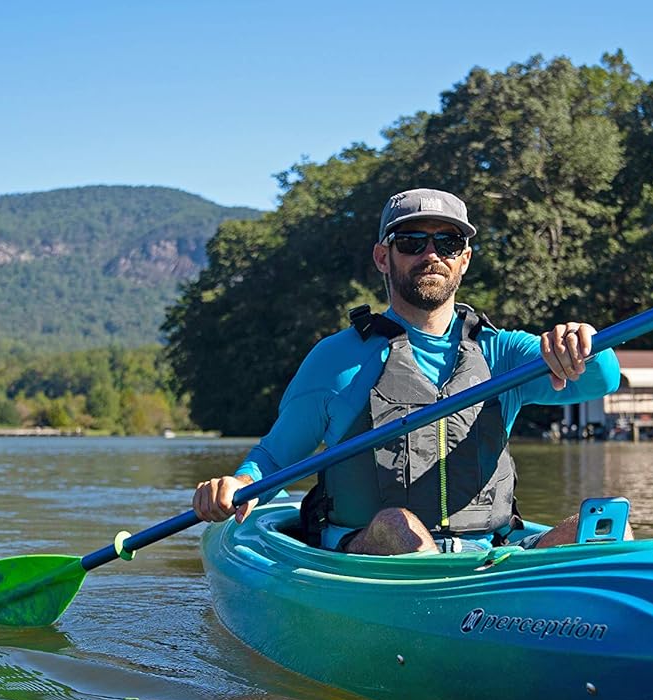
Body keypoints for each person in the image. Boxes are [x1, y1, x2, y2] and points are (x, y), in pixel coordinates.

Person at [192, 187, 627, 554]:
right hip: (374, 551)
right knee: (399, 527)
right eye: (412, 242)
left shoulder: (503, 353)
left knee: (609, 528)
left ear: (464, 259)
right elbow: (274, 458)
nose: (431, 254)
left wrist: (585, 344)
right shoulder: (336, 359)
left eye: (448, 243)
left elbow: (601, 379)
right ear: (383, 257)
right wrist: (236, 485)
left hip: (487, 555)